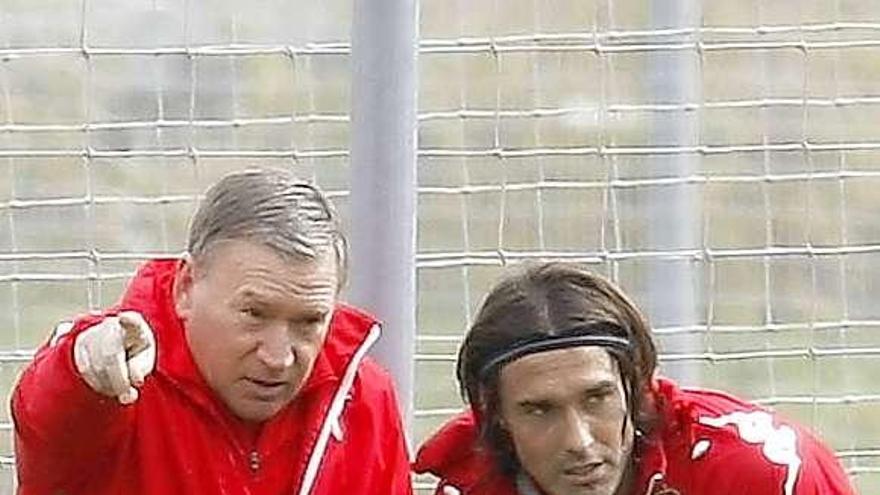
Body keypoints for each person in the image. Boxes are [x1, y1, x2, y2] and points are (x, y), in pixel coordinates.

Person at [13, 168, 413, 495]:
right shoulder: (115, 384)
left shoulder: (365, 400)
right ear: (186, 286)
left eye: (309, 322)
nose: (279, 357)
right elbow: (49, 419)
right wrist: (81, 367)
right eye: (254, 313)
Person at [414, 262, 855, 495]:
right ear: (497, 416)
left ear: (635, 385)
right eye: (539, 410)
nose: (579, 441)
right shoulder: (472, 489)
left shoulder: (762, 473)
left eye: (597, 398)